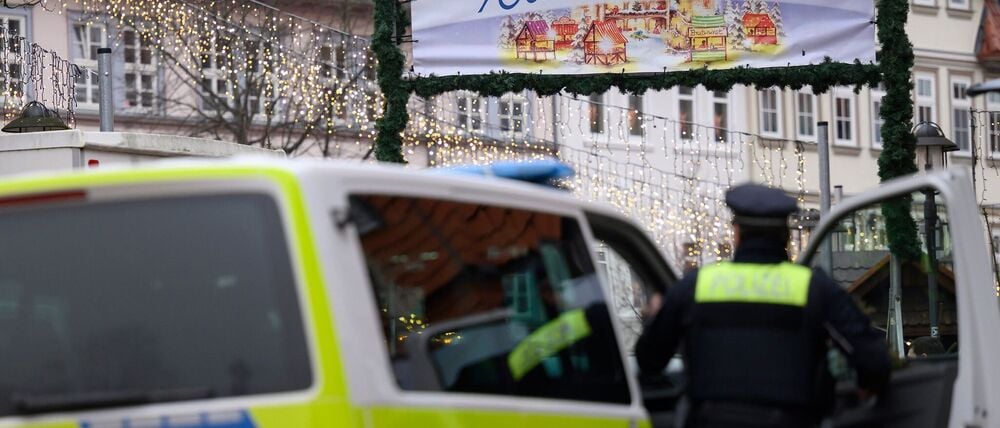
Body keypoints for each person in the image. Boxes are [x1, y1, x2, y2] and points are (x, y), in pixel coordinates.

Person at [635, 183, 891, 428]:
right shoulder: (815, 289)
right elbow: (874, 362)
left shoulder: (696, 285)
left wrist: (654, 316)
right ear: (786, 237)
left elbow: (649, 360)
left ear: (736, 234)